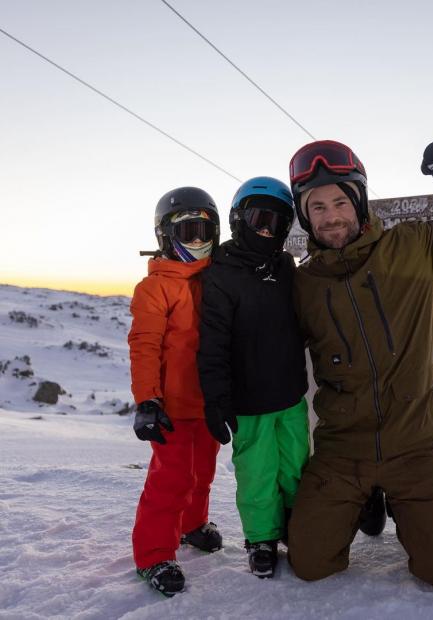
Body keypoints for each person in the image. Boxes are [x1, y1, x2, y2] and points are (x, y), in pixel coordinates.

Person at [286, 137, 433, 590]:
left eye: (339, 201)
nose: (331, 216)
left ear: (359, 201)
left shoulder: (413, 249)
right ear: (305, 216)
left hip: (416, 446)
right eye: (317, 208)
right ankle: (365, 499)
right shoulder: (303, 285)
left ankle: (399, 501)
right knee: (311, 564)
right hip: (341, 450)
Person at [197, 177, 309, 579]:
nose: (266, 230)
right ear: (238, 219)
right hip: (250, 403)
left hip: (291, 397)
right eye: (259, 219)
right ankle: (261, 537)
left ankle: (298, 528)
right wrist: (217, 400)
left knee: (297, 468)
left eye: (278, 223)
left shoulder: (284, 266)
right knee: (258, 474)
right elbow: (212, 345)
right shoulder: (222, 274)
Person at [129, 187, 223, 597]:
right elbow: (144, 345)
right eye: (188, 231)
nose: (198, 240)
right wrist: (148, 400)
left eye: (205, 230)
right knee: (172, 479)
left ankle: (192, 526)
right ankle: (153, 554)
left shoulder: (216, 279)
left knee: (203, 472)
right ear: (166, 237)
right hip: (172, 405)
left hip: (209, 402)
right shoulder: (156, 288)